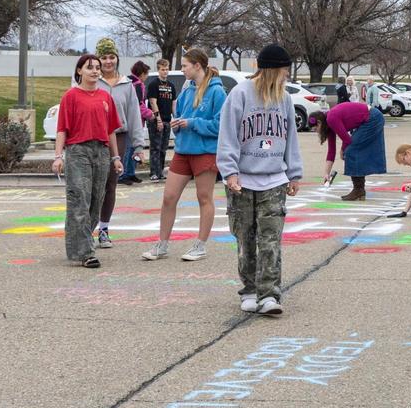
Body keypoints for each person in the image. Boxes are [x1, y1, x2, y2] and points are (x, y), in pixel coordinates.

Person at [217, 43, 304, 316]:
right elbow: (228, 135)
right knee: (246, 238)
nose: (286, 76)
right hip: (242, 180)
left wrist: (294, 173)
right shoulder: (240, 94)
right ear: (271, 70)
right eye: (283, 71)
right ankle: (250, 290)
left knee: (270, 240)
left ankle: (269, 295)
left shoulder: (284, 98)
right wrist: (229, 172)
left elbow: (292, 137)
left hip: (274, 180)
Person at [142, 48, 226, 263]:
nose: (182, 70)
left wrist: (192, 123)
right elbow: (178, 115)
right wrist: (178, 125)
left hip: (205, 152)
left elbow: (220, 125)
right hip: (183, 150)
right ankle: (162, 244)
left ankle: (200, 245)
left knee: (204, 197)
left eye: (185, 66)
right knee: (169, 197)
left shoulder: (217, 91)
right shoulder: (187, 90)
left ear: (197, 65)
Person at [51, 54, 124, 269]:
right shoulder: (71, 96)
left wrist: (116, 157)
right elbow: (62, 129)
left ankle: (81, 242)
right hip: (78, 151)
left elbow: (110, 130)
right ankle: (85, 252)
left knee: (96, 201)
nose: (95, 71)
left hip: (100, 152)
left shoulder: (105, 97)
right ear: (79, 71)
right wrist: (58, 157)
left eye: (97, 67)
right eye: (89, 67)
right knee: (79, 200)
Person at [93, 38, 146, 246]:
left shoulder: (127, 84)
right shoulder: (91, 80)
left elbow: (134, 115)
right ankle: (86, 228)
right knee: (91, 185)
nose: (108, 61)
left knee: (109, 185)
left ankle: (103, 229)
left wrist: (139, 146)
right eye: (103, 57)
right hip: (93, 137)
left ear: (117, 59)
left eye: (111, 57)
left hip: (119, 137)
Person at [310, 95, 387, 202]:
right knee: (351, 150)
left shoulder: (331, 118)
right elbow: (331, 151)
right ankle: (359, 190)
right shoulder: (329, 123)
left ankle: (358, 190)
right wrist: (326, 174)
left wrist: (343, 150)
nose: (317, 131)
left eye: (315, 128)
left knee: (351, 151)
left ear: (319, 122)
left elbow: (347, 139)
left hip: (373, 118)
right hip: (369, 119)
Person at [146, 59, 175, 181]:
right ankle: (154, 172)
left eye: (167, 69)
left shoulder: (171, 86)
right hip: (156, 120)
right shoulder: (153, 84)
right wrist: (158, 119)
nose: (165, 71)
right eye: (163, 69)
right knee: (155, 147)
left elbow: (173, 103)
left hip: (167, 121)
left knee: (164, 148)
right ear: (158, 70)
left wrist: (176, 118)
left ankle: (161, 171)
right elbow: (153, 102)